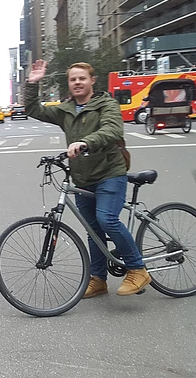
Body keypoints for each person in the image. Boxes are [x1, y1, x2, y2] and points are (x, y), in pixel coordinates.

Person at [25, 60, 150, 297]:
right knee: (93, 230)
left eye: (82, 78)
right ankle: (98, 279)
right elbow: (33, 110)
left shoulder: (107, 104)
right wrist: (32, 83)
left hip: (109, 172)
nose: (77, 82)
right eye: (73, 79)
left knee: (106, 219)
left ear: (92, 81)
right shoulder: (66, 110)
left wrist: (85, 142)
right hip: (83, 178)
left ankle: (137, 269)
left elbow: (112, 130)